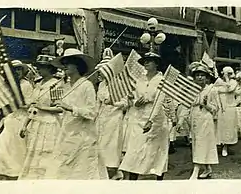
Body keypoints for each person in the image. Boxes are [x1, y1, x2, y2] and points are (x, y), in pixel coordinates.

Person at [44, 48, 108, 180]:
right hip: (67, 132)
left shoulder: (86, 85)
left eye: (68, 62)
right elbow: (62, 108)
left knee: (82, 170)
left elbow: (92, 112)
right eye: (64, 63)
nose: (65, 66)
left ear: (77, 65)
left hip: (83, 135)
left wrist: (71, 108)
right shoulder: (66, 86)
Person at [119, 52, 168, 181]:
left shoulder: (162, 80)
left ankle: (159, 180)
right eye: (145, 61)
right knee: (135, 149)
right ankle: (133, 181)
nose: (146, 63)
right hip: (138, 116)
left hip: (156, 118)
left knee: (156, 151)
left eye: (149, 61)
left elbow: (159, 101)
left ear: (156, 64)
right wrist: (136, 102)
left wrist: (151, 120)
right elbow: (134, 96)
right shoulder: (140, 79)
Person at [18, 55, 64, 180]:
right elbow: (33, 106)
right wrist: (25, 124)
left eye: (42, 67)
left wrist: (43, 108)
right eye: (38, 66)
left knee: (46, 154)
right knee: (34, 154)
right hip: (36, 123)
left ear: (50, 69)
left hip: (49, 124)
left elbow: (60, 108)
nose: (38, 69)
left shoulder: (56, 84)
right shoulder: (38, 84)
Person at [0, 60, 33, 180]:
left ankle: (16, 172)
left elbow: (30, 104)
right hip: (9, 118)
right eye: (14, 70)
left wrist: (17, 103)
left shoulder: (25, 85)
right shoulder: (8, 85)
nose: (17, 72)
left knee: (17, 148)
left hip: (21, 118)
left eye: (19, 69)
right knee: (3, 146)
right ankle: (2, 170)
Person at [95, 48, 126, 180]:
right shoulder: (101, 85)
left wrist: (113, 103)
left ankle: (115, 169)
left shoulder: (119, 84)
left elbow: (125, 103)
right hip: (102, 117)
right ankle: (102, 169)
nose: (101, 74)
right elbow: (98, 102)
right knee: (100, 143)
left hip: (114, 117)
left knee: (112, 144)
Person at [186, 61, 219, 180]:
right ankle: (207, 168)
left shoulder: (212, 90)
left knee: (202, 143)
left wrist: (206, 105)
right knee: (196, 143)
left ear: (207, 77)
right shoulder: (192, 90)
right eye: (197, 75)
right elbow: (187, 105)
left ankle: (196, 170)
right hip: (194, 118)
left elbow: (216, 108)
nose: (199, 77)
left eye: (202, 75)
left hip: (206, 118)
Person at [216, 66, 238, 156]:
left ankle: (226, 146)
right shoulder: (218, 82)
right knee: (220, 126)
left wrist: (227, 78)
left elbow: (230, 89)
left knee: (229, 126)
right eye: (226, 73)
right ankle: (220, 144)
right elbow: (215, 91)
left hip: (230, 106)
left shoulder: (233, 82)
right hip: (220, 106)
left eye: (229, 73)